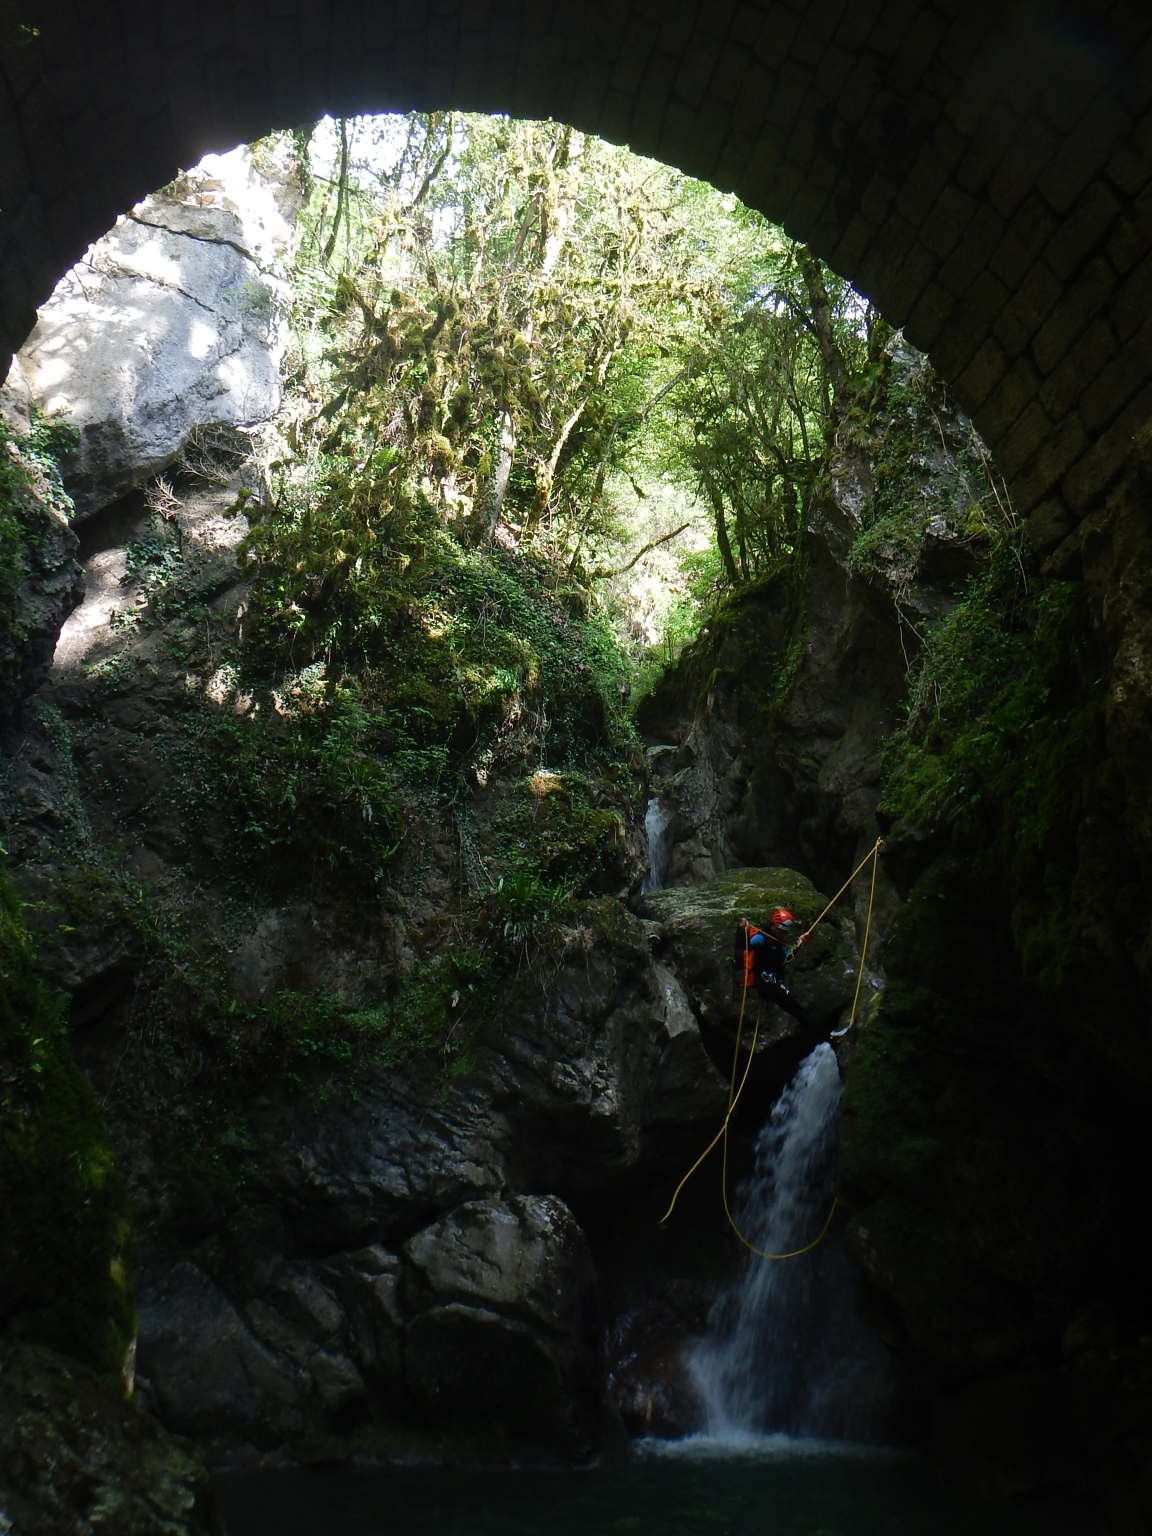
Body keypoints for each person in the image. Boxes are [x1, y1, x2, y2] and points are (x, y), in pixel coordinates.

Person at [737, 910, 808, 1024]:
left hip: (775, 976)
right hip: (764, 978)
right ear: (774, 926)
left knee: (794, 1003)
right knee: (791, 1003)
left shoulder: (778, 943)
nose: (783, 935)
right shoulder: (762, 938)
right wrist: (744, 929)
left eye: (785, 933)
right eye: (781, 932)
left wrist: (799, 943)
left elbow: (787, 957)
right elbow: (749, 943)